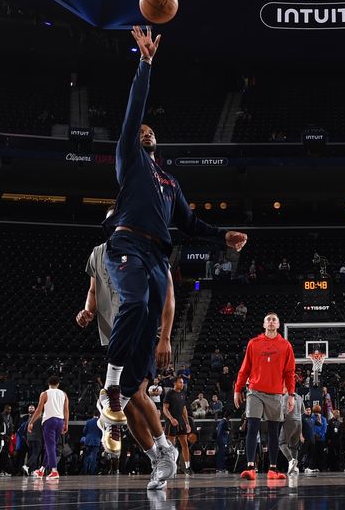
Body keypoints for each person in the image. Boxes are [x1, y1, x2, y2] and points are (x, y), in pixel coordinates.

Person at [98, 26, 247, 453]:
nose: (143, 131)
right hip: (127, 243)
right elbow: (134, 108)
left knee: (148, 343)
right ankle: (110, 387)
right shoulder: (129, 158)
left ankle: (131, 409)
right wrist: (145, 63)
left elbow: (191, 223)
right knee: (135, 302)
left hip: (158, 255)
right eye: (139, 130)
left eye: (148, 131)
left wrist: (223, 237)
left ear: (157, 141)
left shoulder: (169, 181)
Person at [77, 227, 179, 491]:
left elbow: (169, 297)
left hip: (142, 334)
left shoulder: (150, 250)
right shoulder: (98, 253)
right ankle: (156, 458)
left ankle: (164, 448)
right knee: (128, 407)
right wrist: (88, 311)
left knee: (135, 392)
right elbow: (93, 289)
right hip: (114, 337)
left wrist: (165, 337)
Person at [234, 312, 296, 480]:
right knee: (252, 427)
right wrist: (237, 389)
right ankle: (250, 468)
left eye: (274, 319)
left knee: (273, 432)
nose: (270, 322)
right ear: (264, 324)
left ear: (278, 324)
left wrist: (290, 395)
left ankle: (273, 469)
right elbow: (244, 368)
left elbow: (290, 373)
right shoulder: (253, 343)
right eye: (268, 319)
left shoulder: (286, 346)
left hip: (276, 393)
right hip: (255, 391)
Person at [27, 376, 69, 480]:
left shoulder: (45, 393)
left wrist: (31, 422)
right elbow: (66, 410)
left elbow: (39, 410)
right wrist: (66, 424)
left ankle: (54, 471)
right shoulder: (63, 394)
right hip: (60, 421)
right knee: (51, 447)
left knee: (50, 447)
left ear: (48, 384)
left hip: (49, 421)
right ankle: (41, 470)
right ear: (58, 384)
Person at [162, 376, 192, 476]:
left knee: (185, 444)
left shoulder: (183, 394)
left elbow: (184, 410)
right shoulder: (169, 394)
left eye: (183, 383)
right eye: (180, 382)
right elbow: (165, 409)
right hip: (171, 422)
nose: (182, 384)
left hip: (181, 421)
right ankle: (171, 468)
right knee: (171, 446)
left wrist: (187, 423)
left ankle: (187, 467)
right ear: (175, 383)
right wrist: (171, 419)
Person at [279, 392, 304, 475]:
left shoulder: (285, 397)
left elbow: (283, 411)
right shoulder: (299, 397)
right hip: (299, 422)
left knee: (282, 443)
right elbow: (303, 411)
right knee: (294, 446)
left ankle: (291, 460)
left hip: (290, 421)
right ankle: (293, 469)